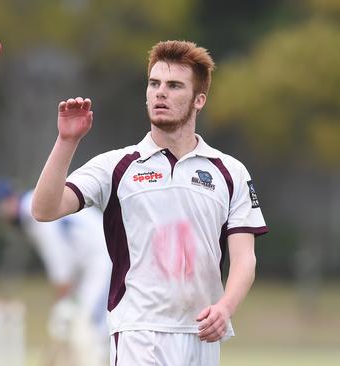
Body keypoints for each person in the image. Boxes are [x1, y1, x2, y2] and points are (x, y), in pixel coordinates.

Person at [31, 40, 268, 366]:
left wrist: (226, 307)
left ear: (199, 100)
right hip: (138, 332)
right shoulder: (116, 166)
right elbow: (44, 209)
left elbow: (245, 259)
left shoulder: (230, 172)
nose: (160, 93)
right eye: (154, 84)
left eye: (174, 86)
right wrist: (66, 141)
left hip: (201, 334)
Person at [0, 179, 111, 366]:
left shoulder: (35, 213)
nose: (1, 220)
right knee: (83, 324)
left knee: (92, 326)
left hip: (104, 260)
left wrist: (60, 304)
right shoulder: (33, 207)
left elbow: (60, 267)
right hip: (91, 264)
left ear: (9, 200)